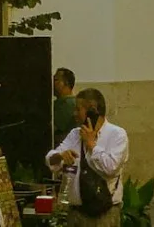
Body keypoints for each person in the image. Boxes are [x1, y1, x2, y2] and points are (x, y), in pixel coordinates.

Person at [48, 87, 129, 227]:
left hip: (104, 214)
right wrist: (60, 156)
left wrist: (92, 145)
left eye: (78, 109)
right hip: (77, 214)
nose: (74, 114)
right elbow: (50, 159)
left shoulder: (117, 135)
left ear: (92, 111)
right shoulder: (74, 134)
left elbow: (111, 168)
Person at [53, 68, 79, 140]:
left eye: (55, 80)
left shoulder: (67, 104)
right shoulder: (62, 102)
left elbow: (52, 129)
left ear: (66, 83)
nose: (52, 83)